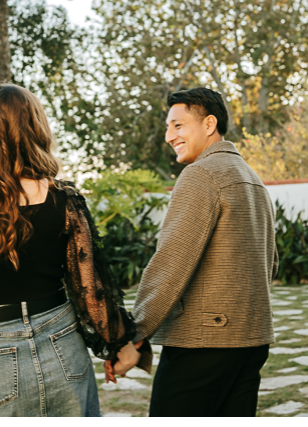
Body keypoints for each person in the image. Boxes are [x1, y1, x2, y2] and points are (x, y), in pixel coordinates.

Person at [0, 84, 151, 416]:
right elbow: (90, 289)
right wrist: (120, 345)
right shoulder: (65, 200)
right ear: (36, 128)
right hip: (62, 344)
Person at [107, 86, 278, 417]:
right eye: (168, 127)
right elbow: (270, 264)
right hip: (252, 341)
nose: (169, 136)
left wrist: (135, 334)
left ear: (209, 124)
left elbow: (171, 264)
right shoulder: (254, 180)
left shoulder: (201, 175)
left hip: (204, 345)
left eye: (178, 125)